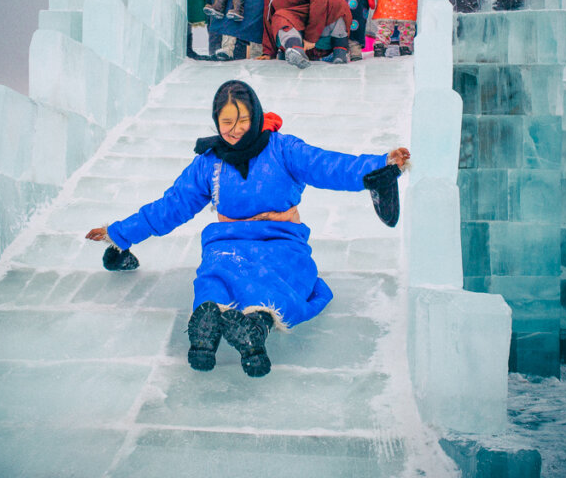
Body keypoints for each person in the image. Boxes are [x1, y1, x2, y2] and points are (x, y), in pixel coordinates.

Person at [86, 80, 409, 377]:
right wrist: (119, 232)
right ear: (216, 121)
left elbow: (328, 165)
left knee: (253, 275)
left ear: (255, 115)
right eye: (227, 122)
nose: (236, 130)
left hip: (269, 241)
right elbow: (171, 206)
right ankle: (231, 323)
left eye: (242, 120)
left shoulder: (283, 149)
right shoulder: (209, 162)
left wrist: (380, 165)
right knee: (250, 277)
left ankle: (234, 319)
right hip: (248, 241)